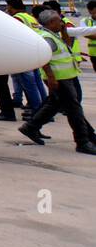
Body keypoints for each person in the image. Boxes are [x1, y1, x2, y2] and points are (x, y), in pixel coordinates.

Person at [19, 10, 96, 155]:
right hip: (59, 78)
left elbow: (66, 48)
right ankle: (83, 141)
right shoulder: (46, 37)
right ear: (50, 23)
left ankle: (31, 127)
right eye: (58, 21)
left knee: (56, 104)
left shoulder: (54, 34)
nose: (61, 23)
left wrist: (65, 32)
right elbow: (45, 58)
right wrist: (51, 77)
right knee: (74, 109)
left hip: (67, 75)